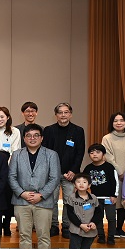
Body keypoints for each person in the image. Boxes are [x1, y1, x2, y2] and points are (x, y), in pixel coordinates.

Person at [9, 124, 61, 249]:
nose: (32, 138)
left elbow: (54, 178)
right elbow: (11, 177)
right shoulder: (17, 154)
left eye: (36, 135)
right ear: (24, 138)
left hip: (43, 201)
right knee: (24, 234)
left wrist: (41, 195)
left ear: (42, 138)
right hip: (21, 200)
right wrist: (22, 193)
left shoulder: (51, 155)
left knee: (43, 235)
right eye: (29, 135)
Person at [43, 102, 86, 239]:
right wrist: (50, 170)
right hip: (52, 173)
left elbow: (80, 152)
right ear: (56, 115)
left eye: (66, 112)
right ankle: (54, 225)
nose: (63, 115)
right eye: (60, 112)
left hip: (70, 174)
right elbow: (45, 152)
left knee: (69, 200)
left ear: (70, 114)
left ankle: (67, 225)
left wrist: (74, 170)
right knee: (52, 200)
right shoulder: (49, 130)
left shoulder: (78, 131)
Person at [101, 112, 125, 238]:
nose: (118, 123)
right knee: (114, 201)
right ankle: (110, 229)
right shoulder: (107, 138)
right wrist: (119, 171)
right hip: (113, 174)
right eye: (115, 121)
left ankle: (119, 229)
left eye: (121, 120)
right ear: (111, 123)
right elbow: (108, 157)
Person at [65, 173, 102, 249]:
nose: (81, 184)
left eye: (84, 182)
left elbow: (99, 213)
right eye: (78, 182)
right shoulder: (71, 198)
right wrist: (80, 224)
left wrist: (94, 223)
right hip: (76, 229)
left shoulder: (94, 198)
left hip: (90, 230)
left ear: (89, 185)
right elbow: (70, 214)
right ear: (74, 185)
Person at [0, 107, 20, 237]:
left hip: (9, 167)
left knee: (8, 197)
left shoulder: (15, 131)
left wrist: (6, 167)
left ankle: (7, 223)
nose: (0, 119)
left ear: (8, 117)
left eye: (2, 116)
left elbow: (15, 151)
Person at [82, 144, 119, 245]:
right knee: (98, 217)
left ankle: (111, 236)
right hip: (95, 198)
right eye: (92, 153)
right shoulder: (88, 168)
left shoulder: (109, 167)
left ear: (103, 154)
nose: (94, 155)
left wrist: (114, 195)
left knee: (111, 217)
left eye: (97, 152)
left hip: (109, 198)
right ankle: (101, 236)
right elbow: (84, 182)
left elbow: (115, 181)